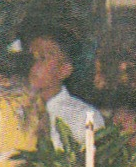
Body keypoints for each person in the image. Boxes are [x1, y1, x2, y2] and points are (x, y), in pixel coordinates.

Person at [20, 15, 102, 147]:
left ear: (64, 70)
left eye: (42, 58)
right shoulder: (15, 108)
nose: (33, 65)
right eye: (30, 57)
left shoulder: (84, 116)